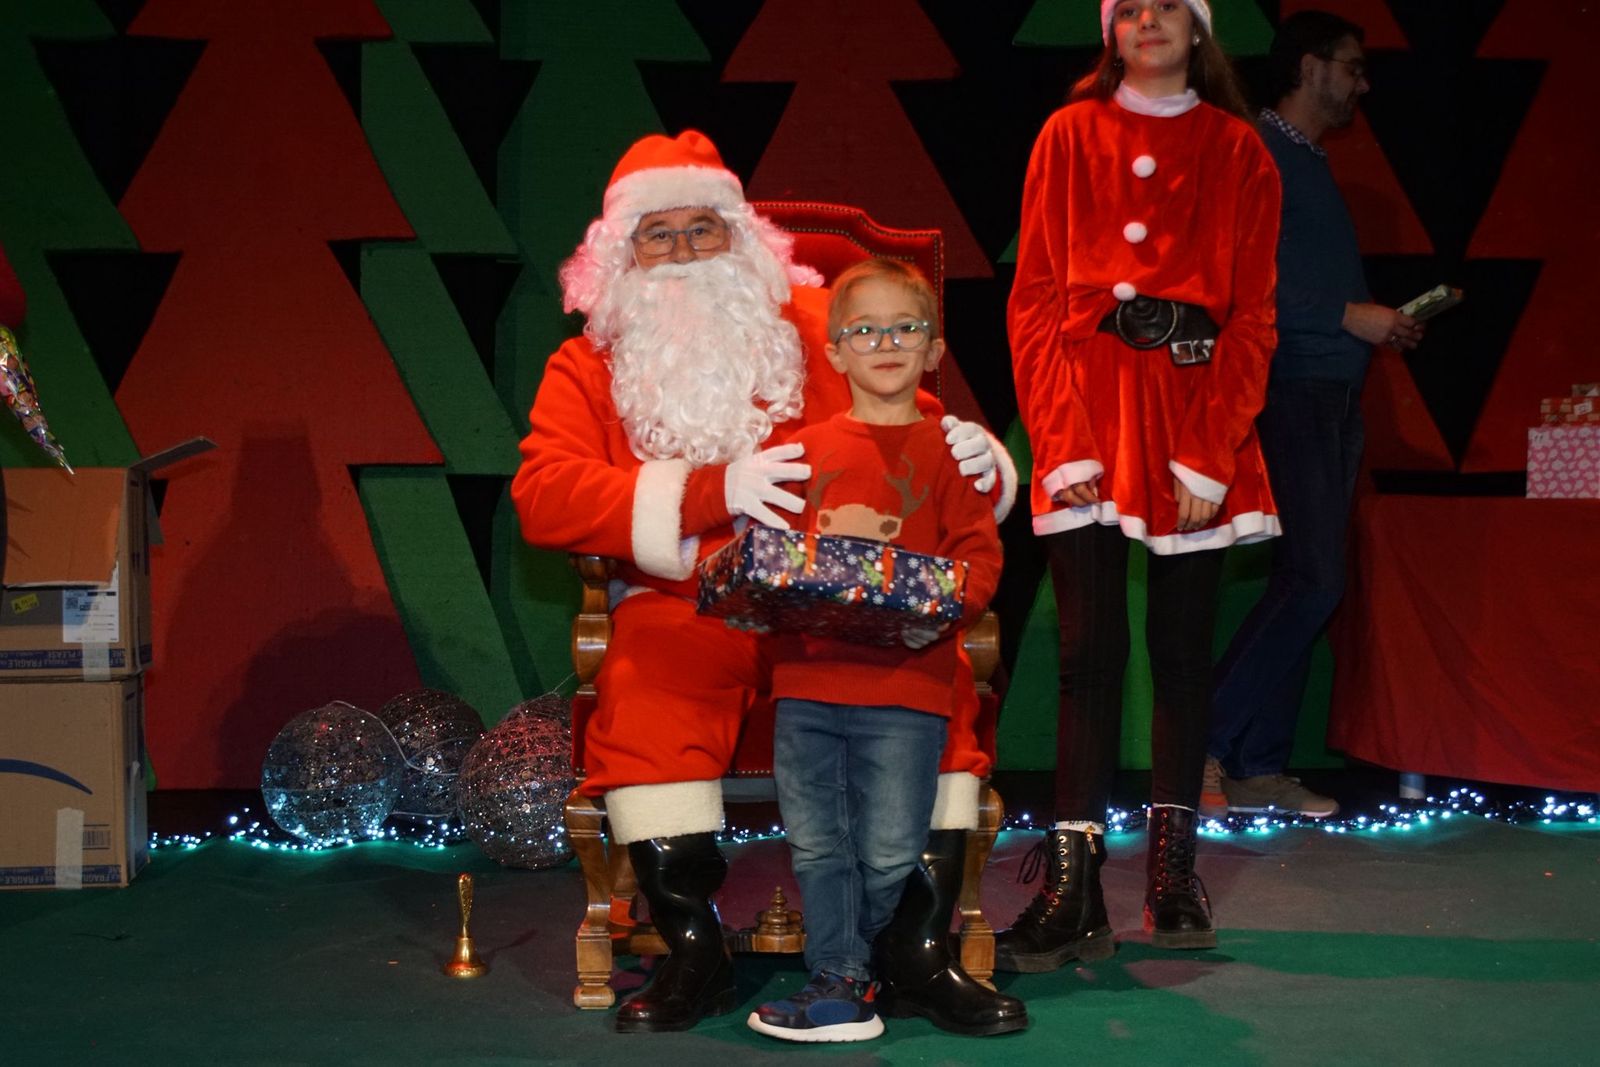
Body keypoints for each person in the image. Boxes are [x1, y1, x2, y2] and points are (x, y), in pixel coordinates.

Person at [510, 130, 1024, 1035]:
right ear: (618, 256)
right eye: (656, 236)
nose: (681, 255)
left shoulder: (816, 327)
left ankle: (916, 948)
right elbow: (543, 493)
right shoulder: (589, 364)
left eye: (701, 230)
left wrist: (976, 456)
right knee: (646, 689)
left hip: (831, 608)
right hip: (688, 602)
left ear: (739, 238)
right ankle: (694, 950)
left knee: (933, 685)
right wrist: (708, 491)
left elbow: (915, 411)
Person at [998, 0, 1282, 971]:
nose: (1150, 20)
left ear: (1198, 29)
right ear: (1111, 28)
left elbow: (1251, 316)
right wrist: (1063, 439)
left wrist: (1209, 449)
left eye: (1170, 6)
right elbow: (1035, 297)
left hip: (1192, 413)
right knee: (1086, 652)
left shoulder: (1239, 150)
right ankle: (1073, 889)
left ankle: (1170, 880)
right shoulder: (1067, 134)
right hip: (1086, 407)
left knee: (1181, 654)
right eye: (1133, 7)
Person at [746, 260, 1011, 1043]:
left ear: (932, 349)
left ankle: (851, 971)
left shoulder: (950, 455)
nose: (884, 341)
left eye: (904, 328)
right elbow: (769, 558)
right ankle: (840, 978)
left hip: (908, 691)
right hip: (809, 684)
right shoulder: (800, 451)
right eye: (864, 329)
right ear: (835, 353)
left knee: (891, 847)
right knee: (816, 841)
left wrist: (941, 610)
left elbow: (981, 563)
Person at [1202, 11, 1423, 822]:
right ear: (1308, 65)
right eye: (1353, 67)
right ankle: (1202, 741)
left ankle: (1259, 765)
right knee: (1313, 580)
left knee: (1310, 582)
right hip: (1290, 388)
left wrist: (1366, 322)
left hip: (1331, 393)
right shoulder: (1256, 152)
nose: (1362, 83)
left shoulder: (1309, 163)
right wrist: (1346, 315)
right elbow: (1238, 290)